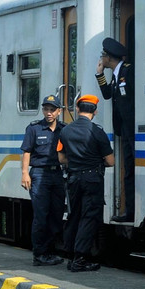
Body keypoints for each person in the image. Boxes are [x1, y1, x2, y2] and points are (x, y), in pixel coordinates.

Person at [57, 94, 114, 272]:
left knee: (74, 215)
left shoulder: (65, 131)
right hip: (92, 179)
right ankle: (80, 259)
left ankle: (70, 255)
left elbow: (61, 158)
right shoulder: (97, 132)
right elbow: (111, 161)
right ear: (95, 111)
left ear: (78, 109)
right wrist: (95, 162)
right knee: (89, 217)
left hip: (74, 178)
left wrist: (75, 161)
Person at [20, 93, 66, 266]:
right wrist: (25, 173)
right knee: (41, 215)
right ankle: (39, 254)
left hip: (57, 174)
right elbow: (26, 151)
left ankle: (51, 252)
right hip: (39, 174)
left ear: (58, 112)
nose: (49, 113)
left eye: (52, 110)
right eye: (46, 109)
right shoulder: (34, 129)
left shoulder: (64, 129)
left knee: (56, 214)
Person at [95, 36, 135, 222]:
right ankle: (129, 211)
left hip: (132, 130)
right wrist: (99, 75)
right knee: (128, 169)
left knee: (132, 169)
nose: (101, 59)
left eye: (103, 56)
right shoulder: (116, 75)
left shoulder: (128, 71)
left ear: (108, 57)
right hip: (125, 131)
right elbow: (107, 96)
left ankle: (131, 210)